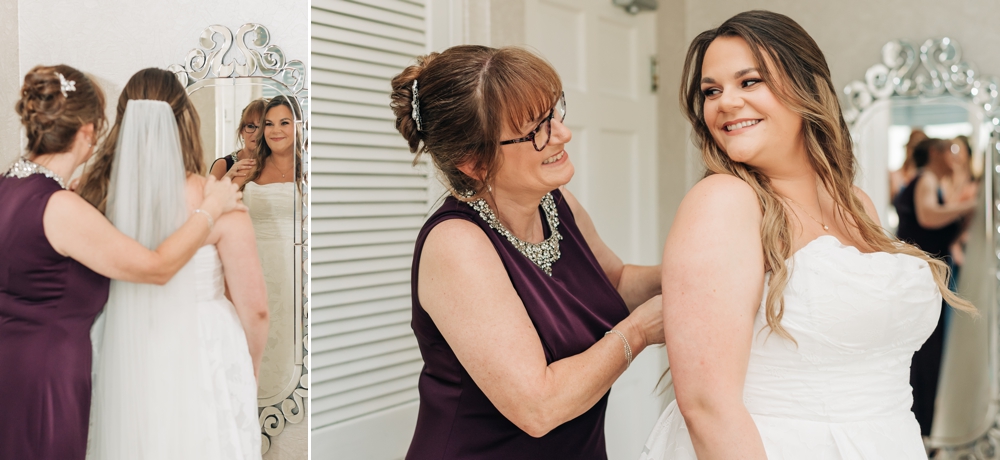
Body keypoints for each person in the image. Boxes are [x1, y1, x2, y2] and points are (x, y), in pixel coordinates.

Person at [640, 11, 974, 459]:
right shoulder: (723, 202)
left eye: (749, 81)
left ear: (805, 87)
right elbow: (707, 407)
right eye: (711, 91)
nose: (726, 102)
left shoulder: (855, 203)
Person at [389, 45, 663, 459]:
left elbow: (617, 281)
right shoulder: (456, 245)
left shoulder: (558, 203)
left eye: (555, 113)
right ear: (474, 161)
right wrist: (639, 332)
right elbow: (539, 406)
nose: (563, 134)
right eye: (537, 130)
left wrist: (693, 271)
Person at [0, 65, 243, 460]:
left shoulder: (9, 186)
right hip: (46, 376)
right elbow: (157, 267)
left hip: (12, 362)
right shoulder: (58, 205)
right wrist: (210, 209)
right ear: (88, 131)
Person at [81, 68, 268, 459]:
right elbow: (257, 310)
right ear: (186, 120)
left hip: (123, 339)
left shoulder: (94, 194)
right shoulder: (216, 197)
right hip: (206, 348)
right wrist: (246, 369)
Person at [892, 137, 976, 440]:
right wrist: (970, 204)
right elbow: (928, 216)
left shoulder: (928, 180)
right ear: (934, 154)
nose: (952, 157)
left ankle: (924, 423)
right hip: (924, 277)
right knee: (926, 349)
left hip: (923, 275)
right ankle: (923, 426)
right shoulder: (926, 178)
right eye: (947, 151)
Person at [241, 95, 300, 400]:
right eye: (268, 124)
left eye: (284, 123)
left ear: (299, 127)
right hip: (255, 269)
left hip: (296, 272)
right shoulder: (249, 167)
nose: (275, 130)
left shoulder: (309, 171)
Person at [209, 98, 265, 187]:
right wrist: (228, 176)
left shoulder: (276, 164)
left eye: (262, 127)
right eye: (250, 126)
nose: (256, 134)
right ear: (242, 131)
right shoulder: (222, 165)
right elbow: (208, 199)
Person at [890, 128, 927, 201]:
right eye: (913, 146)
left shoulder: (930, 177)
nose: (916, 153)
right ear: (907, 148)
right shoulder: (894, 175)